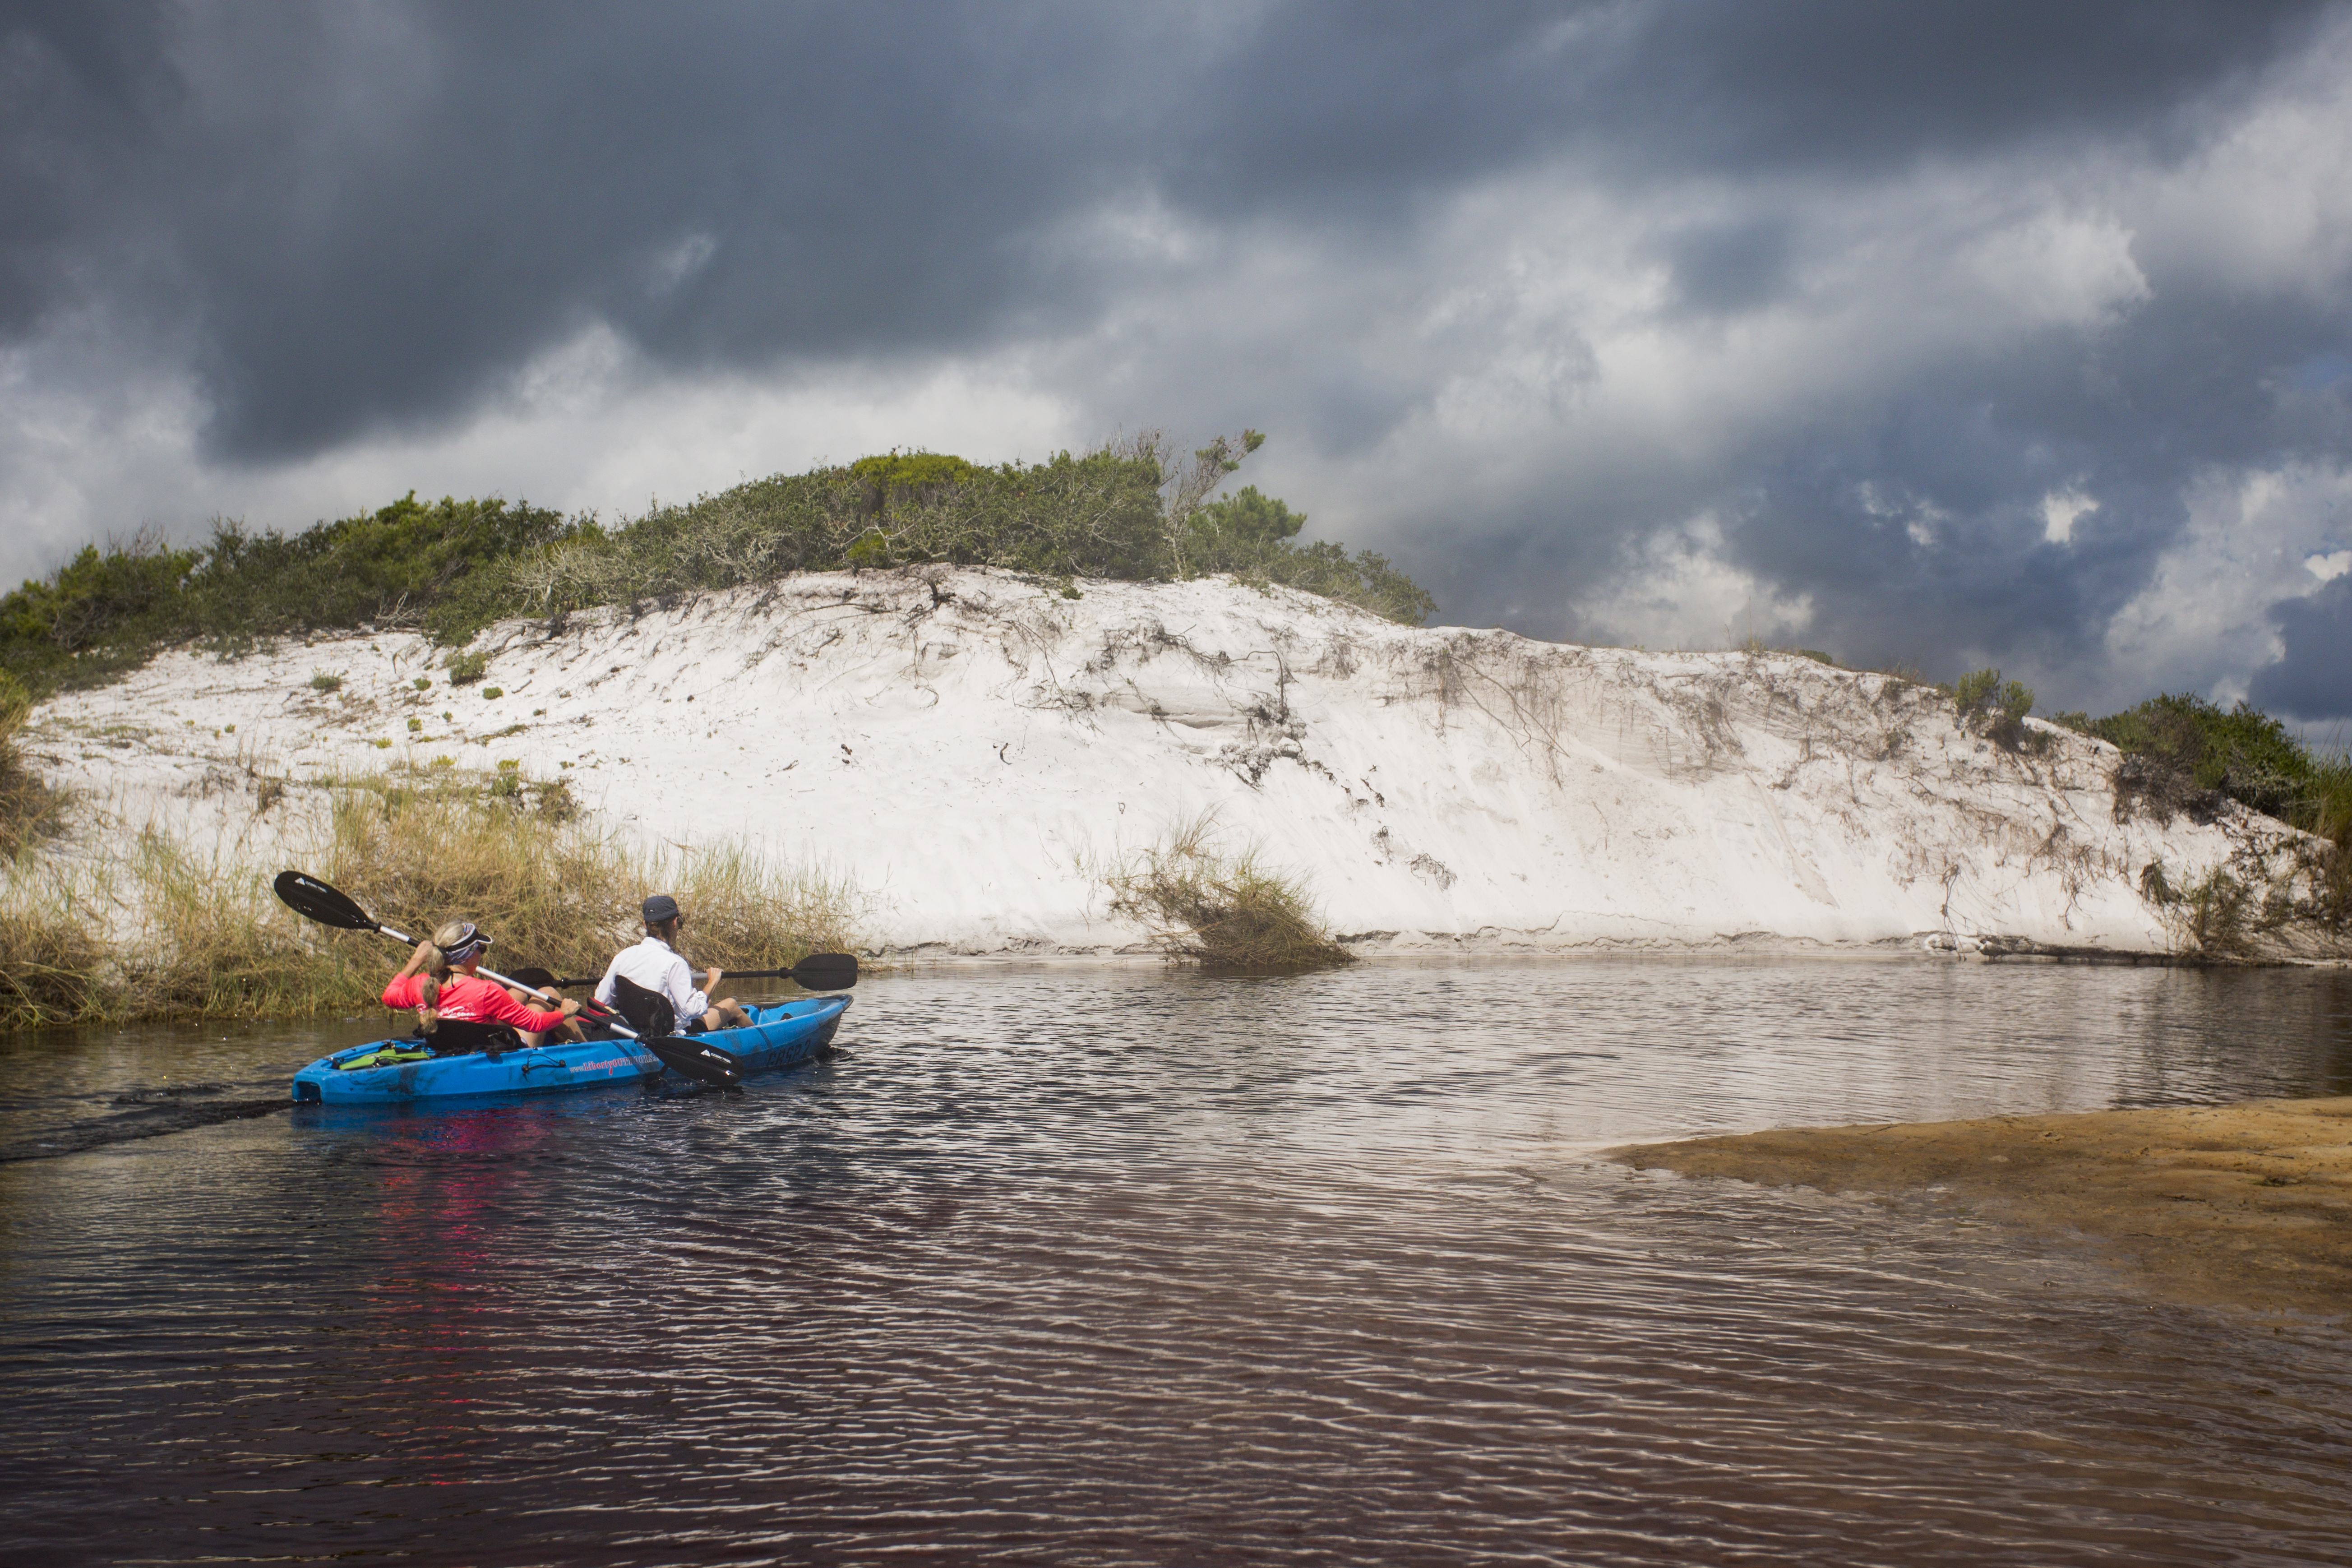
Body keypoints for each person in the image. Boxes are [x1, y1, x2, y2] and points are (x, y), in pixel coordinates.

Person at [382, 920, 582, 1053]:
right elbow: (535, 1024)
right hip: (486, 1053)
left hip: (447, 1047)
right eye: (482, 949)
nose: (482, 954)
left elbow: (389, 996)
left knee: (521, 991)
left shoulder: (420, 984)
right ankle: (593, 1055)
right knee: (548, 993)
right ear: (469, 954)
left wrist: (417, 960)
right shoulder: (486, 991)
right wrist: (565, 1012)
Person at [595, 894, 749, 1034]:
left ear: (645, 924)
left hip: (633, 1032)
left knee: (705, 1002)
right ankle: (764, 1043)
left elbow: (601, 1001)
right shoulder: (675, 963)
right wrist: (712, 982)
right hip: (672, 1037)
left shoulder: (622, 957)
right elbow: (692, 1011)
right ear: (675, 923)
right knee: (731, 1005)